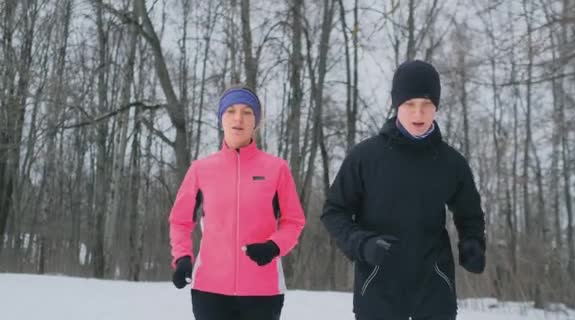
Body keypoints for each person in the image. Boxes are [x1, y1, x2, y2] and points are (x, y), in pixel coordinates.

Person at [321, 60, 486, 320]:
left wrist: (473, 243)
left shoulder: (451, 163)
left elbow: (470, 215)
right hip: (377, 289)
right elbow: (334, 212)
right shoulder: (365, 157)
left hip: (435, 289)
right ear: (397, 105)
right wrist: (362, 244)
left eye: (426, 105)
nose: (418, 114)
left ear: (436, 107)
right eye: (410, 104)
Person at [169, 86, 306, 320]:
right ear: (221, 119)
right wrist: (182, 257)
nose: (238, 118)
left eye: (247, 112)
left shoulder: (277, 169)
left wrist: (273, 246)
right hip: (210, 291)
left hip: (263, 292)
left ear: (256, 122)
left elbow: (294, 221)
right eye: (230, 111)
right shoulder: (201, 170)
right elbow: (180, 221)